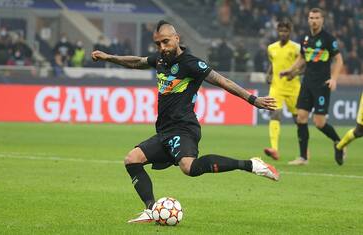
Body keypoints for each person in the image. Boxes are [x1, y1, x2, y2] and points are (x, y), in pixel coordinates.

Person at [91, 20, 279, 224]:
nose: (162, 48)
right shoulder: (161, 60)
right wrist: (109, 57)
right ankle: (152, 209)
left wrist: (253, 99)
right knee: (132, 159)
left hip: (184, 128)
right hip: (164, 131)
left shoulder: (191, 63)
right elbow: (137, 61)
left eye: (166, 42)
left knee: (188, 167)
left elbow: (224, 81)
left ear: (176, 38)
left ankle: (250, 165)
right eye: (158, 44)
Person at [280, 8, 344, 166]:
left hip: (322, 84)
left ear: (322, 20)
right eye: (311, 17)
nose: (313, 20)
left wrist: (334, 79)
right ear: (308, 20)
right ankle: (303, 157)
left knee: (319, 123)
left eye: (316, 18)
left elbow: (339, 60)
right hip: (307, 82)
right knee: (301, 117)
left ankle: (339, 142)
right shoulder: (305, 38)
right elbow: (302, 58)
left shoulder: (328, 39)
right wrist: (290, 70)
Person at [264, 20, 302, 160]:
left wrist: (295, 73)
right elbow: (273, 63)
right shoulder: (271, 48)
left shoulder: (296, 48)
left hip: (293, 88)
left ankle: (304, 151)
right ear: (277, 31)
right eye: (281, 31)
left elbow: (304, 65)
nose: (283, 33)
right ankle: (274, 149)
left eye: (286, 31)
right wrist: (268, 74)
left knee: (299, 120)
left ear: (290, 32)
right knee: (275, 115)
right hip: (276, 87)